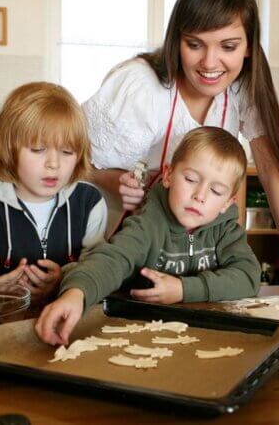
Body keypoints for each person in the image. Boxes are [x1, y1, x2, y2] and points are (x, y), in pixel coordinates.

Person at [83, 0, 279, 293]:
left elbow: (272, 171)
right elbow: (75, 164)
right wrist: (116, 183)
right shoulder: (141, 87)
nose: (210, 62)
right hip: (119, 246)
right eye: (194, 44)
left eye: (228, 46)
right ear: (177, 40)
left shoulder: (243, 85)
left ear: (248, 46)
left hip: (185, 261)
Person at [35, 127, 260, 345]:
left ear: (227, 202)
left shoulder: (226, 230)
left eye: (216, 191)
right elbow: (114, 259)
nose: (199, 196)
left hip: (204, 334)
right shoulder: (149, 222)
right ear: (168, 175)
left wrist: (183, 289)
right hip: (144, 334)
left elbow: (249, 276)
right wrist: (76, 294)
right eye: (191, 179)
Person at [0, 82, 107, 304]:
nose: (54, 164)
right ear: (9, 148)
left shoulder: (89, 203)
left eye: (67, 151)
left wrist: (66, 281)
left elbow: (100, 268)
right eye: (38, 150)